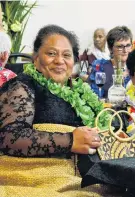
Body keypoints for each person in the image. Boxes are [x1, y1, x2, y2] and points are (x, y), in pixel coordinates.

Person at [0, 24, 124, 196]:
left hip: (87, 179)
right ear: (35, 59)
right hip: (38, 181)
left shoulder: (81, 92)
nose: (59, 60)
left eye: (67, 55)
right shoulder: (23, 85)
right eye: (51, 53)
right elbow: (10, 137)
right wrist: (70, 140)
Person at [89, 26, 132, 98]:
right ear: (110, 48)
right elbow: (95, 96)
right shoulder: (100, 66)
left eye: (128, 45)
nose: (125, 50)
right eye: (120, 46)